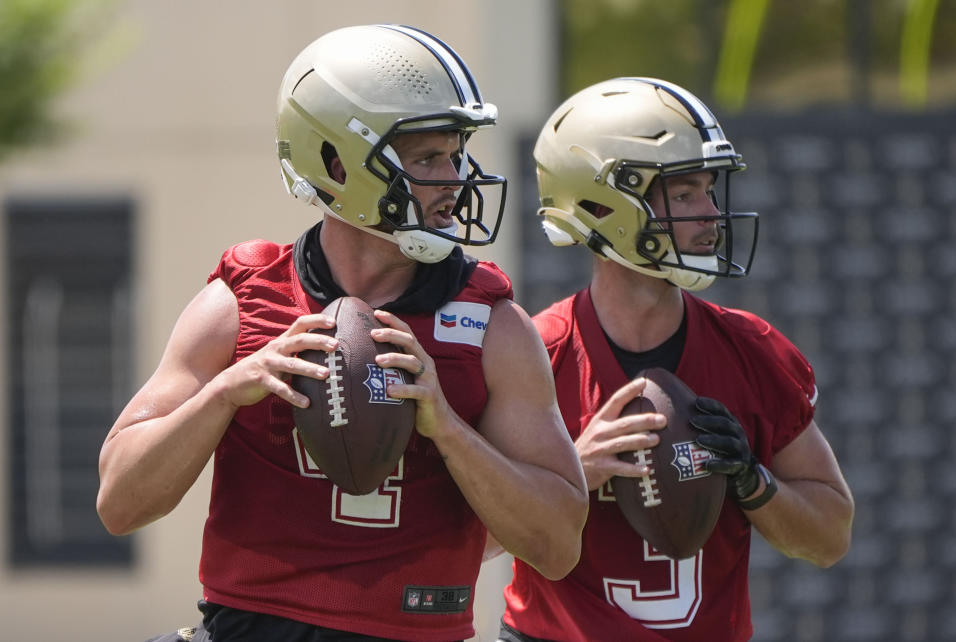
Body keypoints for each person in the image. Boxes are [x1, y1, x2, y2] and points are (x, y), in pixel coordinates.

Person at [96, 24, 588, 642]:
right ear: (337, 162)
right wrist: (226, 390)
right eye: (427, 157)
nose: (455, 179)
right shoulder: (240, 303)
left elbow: (559, 544)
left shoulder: (493, 327)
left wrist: (449, 429)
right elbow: (119, 503)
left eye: (456, 153)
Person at [492, 78, 854, 642]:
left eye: (709, 191)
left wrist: (752, 482)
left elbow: (831, 536)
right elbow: (463, 541)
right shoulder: (533, 351)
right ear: (603, 206)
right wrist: (568, 476)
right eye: (684, 195)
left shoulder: (749, 349)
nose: (711, 213)